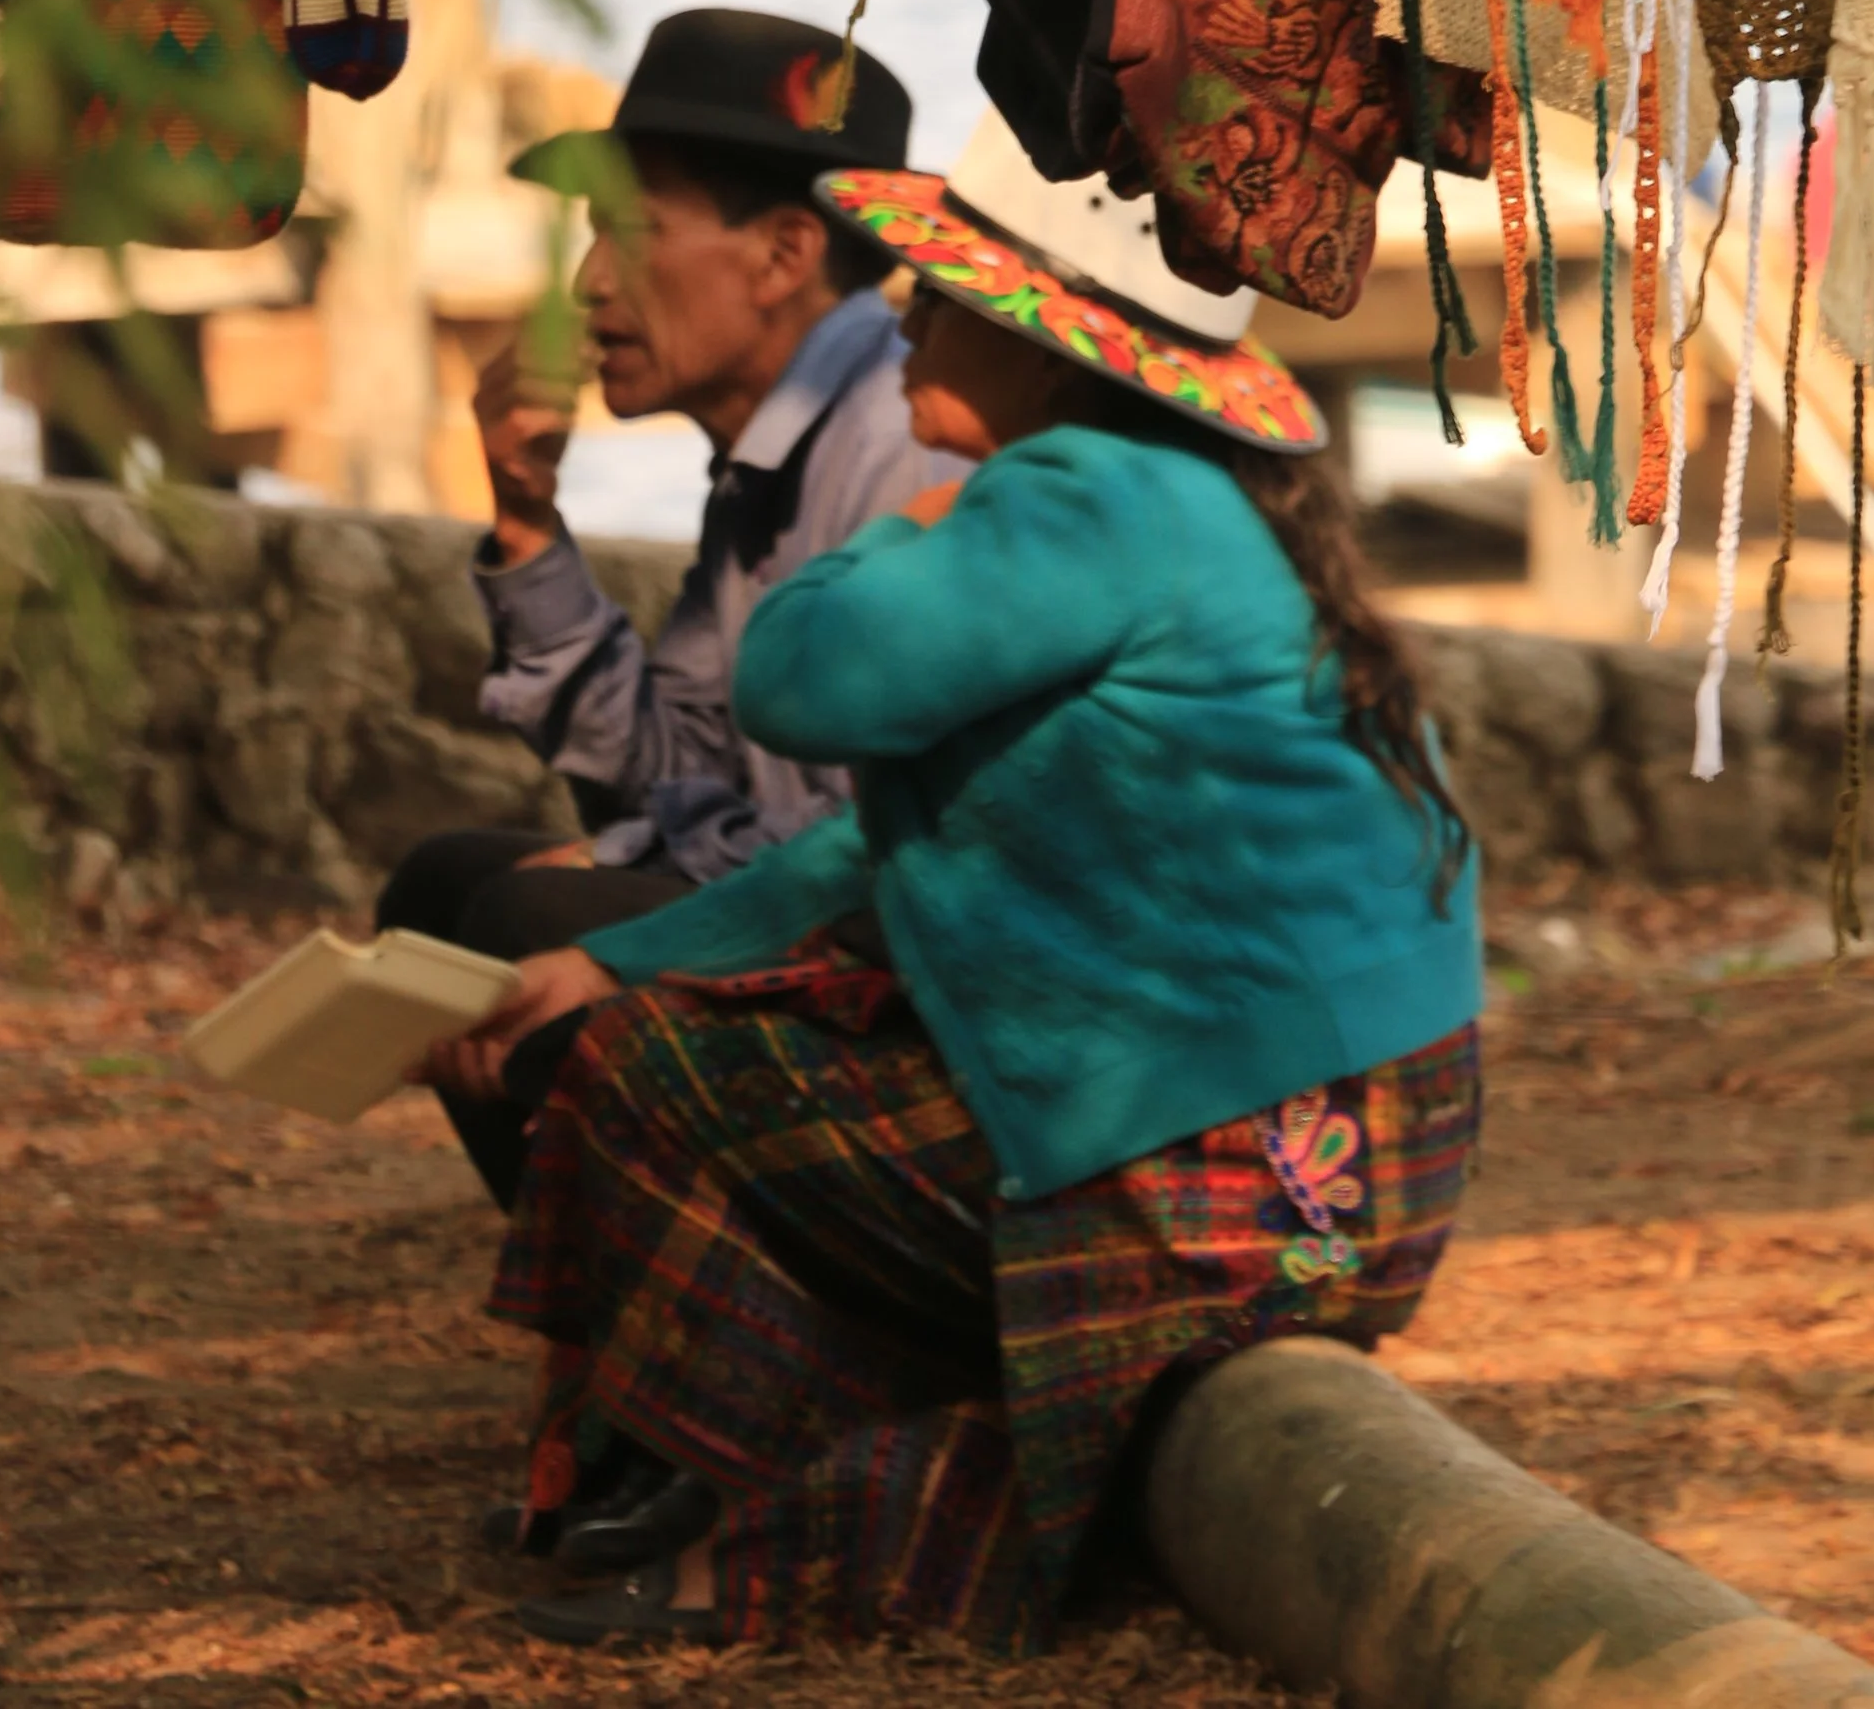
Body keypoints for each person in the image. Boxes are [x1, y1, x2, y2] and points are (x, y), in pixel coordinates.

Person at [439, 108, 1485, 1653]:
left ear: (1038, 339)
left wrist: (909, 523)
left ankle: (737, 1520)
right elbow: (877, 834)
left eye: (941, 291)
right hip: (1331, 1141)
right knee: (659, 1044)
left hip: (1257, 1158)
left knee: (666, 1084)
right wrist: (632, 955)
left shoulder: (1084, 493)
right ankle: (694, 1480)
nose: (904, 313)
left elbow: (799, 677)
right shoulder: (1149, 496)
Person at [378, 9, 952, 1203]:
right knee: (444, 897)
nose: (589, 284)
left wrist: (618, 877)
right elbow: (664, 773)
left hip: (929, 963)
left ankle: (735, 1307)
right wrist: (527, 516)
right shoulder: (766, 455)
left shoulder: (899, 444)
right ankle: (629, 1292)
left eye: (631, 235)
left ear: (786, 254)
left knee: (525, 911)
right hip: (832, 909)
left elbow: (886, 844)